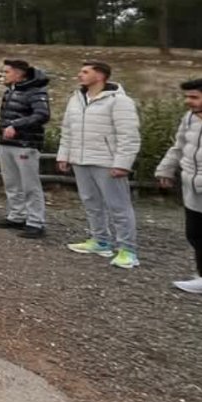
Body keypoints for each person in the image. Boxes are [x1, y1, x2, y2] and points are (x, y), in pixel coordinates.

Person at [57, 61, 141, 268]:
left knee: (118, 206)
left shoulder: (119, 101)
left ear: (101, 75)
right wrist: (64, 155)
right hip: (80, 159)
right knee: (91, 202)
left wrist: (122, 163)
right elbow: (67, 129)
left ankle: (127, 250)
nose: (80, 75)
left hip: (107, 161)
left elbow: (129, 135)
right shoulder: (76, 99)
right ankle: (100, 241)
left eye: (85, 72)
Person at [156, 79, 202, 303]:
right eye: (187, 97)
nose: (188, 102)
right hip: (193, 186)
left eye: (194, 97)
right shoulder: (190, 117)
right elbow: (179, 145)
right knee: (197, 235)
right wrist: (166, 168)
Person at [0, 59, 51, 239]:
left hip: (25, 144)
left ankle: (36, 221)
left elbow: (42, 115)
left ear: (19, 73)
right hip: (7, 143)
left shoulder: (36, 92)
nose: (4, 75)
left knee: (30, 184)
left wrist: (17, 126)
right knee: (12, 182)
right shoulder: (10, 92)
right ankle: (17, 215)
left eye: (7, 72)